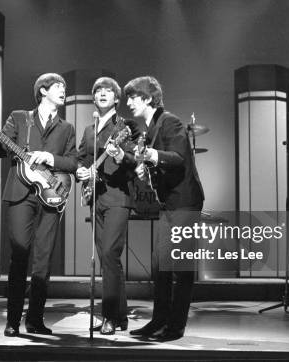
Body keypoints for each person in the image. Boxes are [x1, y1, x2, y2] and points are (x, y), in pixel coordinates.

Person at [0, 73, 78, 337]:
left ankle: (35, 320)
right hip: (20, 194)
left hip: (52, 196)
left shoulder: (67, 128)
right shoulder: (20, 118)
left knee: (43, 262)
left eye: (64, 87)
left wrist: (50, 158)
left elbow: (73, 163)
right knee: (19, 255)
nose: (63, 90)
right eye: (58, 87)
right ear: (43, 91)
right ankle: (12, 321)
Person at [110, 76, 204, 342]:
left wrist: (150, 156)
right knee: (160, 266)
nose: (128, 103)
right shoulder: (151, 127)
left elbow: (179, 158)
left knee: (180, 269)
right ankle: (159, 321)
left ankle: (175, 328)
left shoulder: (170, 121)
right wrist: (144, 167)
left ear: (148, 98)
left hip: (185, 201)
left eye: (132, 97)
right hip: (170, 203)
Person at [76, 77, 137, 335]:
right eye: (98, 90)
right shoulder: (89, 130)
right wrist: (80, 171)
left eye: (108, 91)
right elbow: (80, 158)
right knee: (107, 259)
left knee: (110, 254)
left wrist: (122, 156)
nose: (102, 94)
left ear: (116, 98)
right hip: (96, 197)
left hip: (118, 197)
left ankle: (109, 316)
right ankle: (120, 316)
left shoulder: (124, 126)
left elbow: (136, 160)